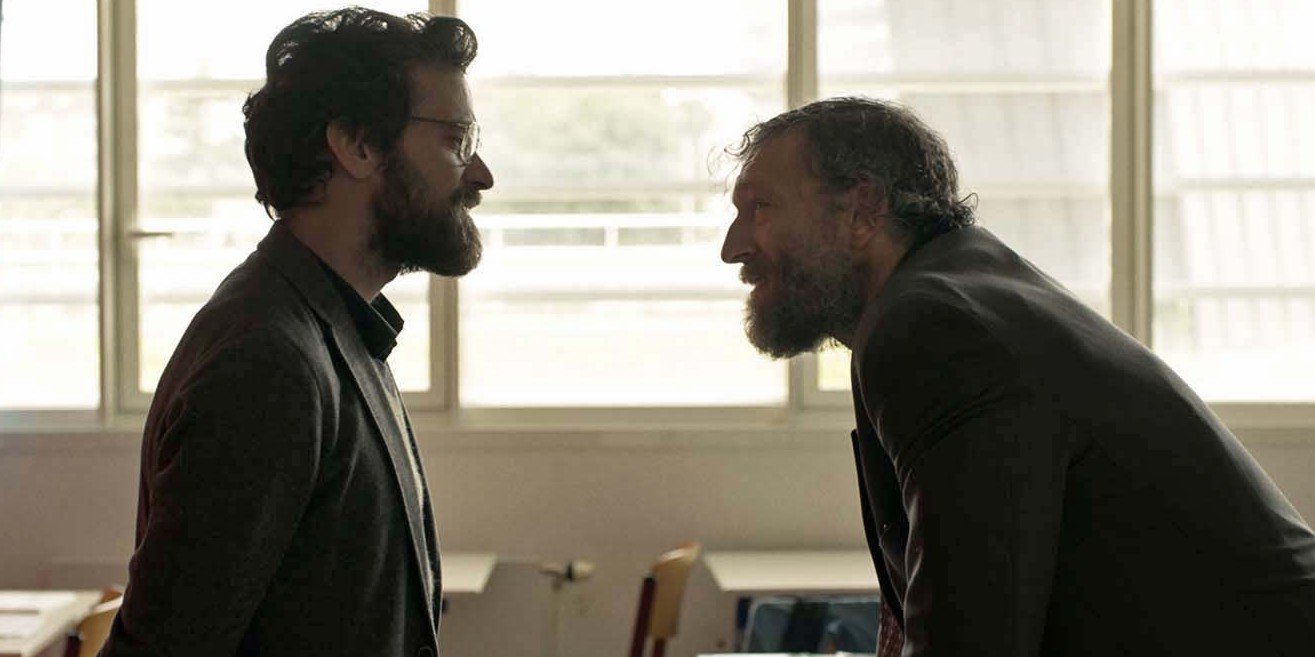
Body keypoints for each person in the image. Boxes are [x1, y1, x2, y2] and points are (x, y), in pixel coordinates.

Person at [720, 96, 1315, 656]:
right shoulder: (959, 294)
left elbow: (971, 642)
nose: (733, 246)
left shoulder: (933, 326)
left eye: (759, 208)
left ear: (861, 211)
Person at [101, 8, 493, 656]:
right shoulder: (266, 360)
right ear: (357, 144)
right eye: (457, 139)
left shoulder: (332, 327)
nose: (480, 175)